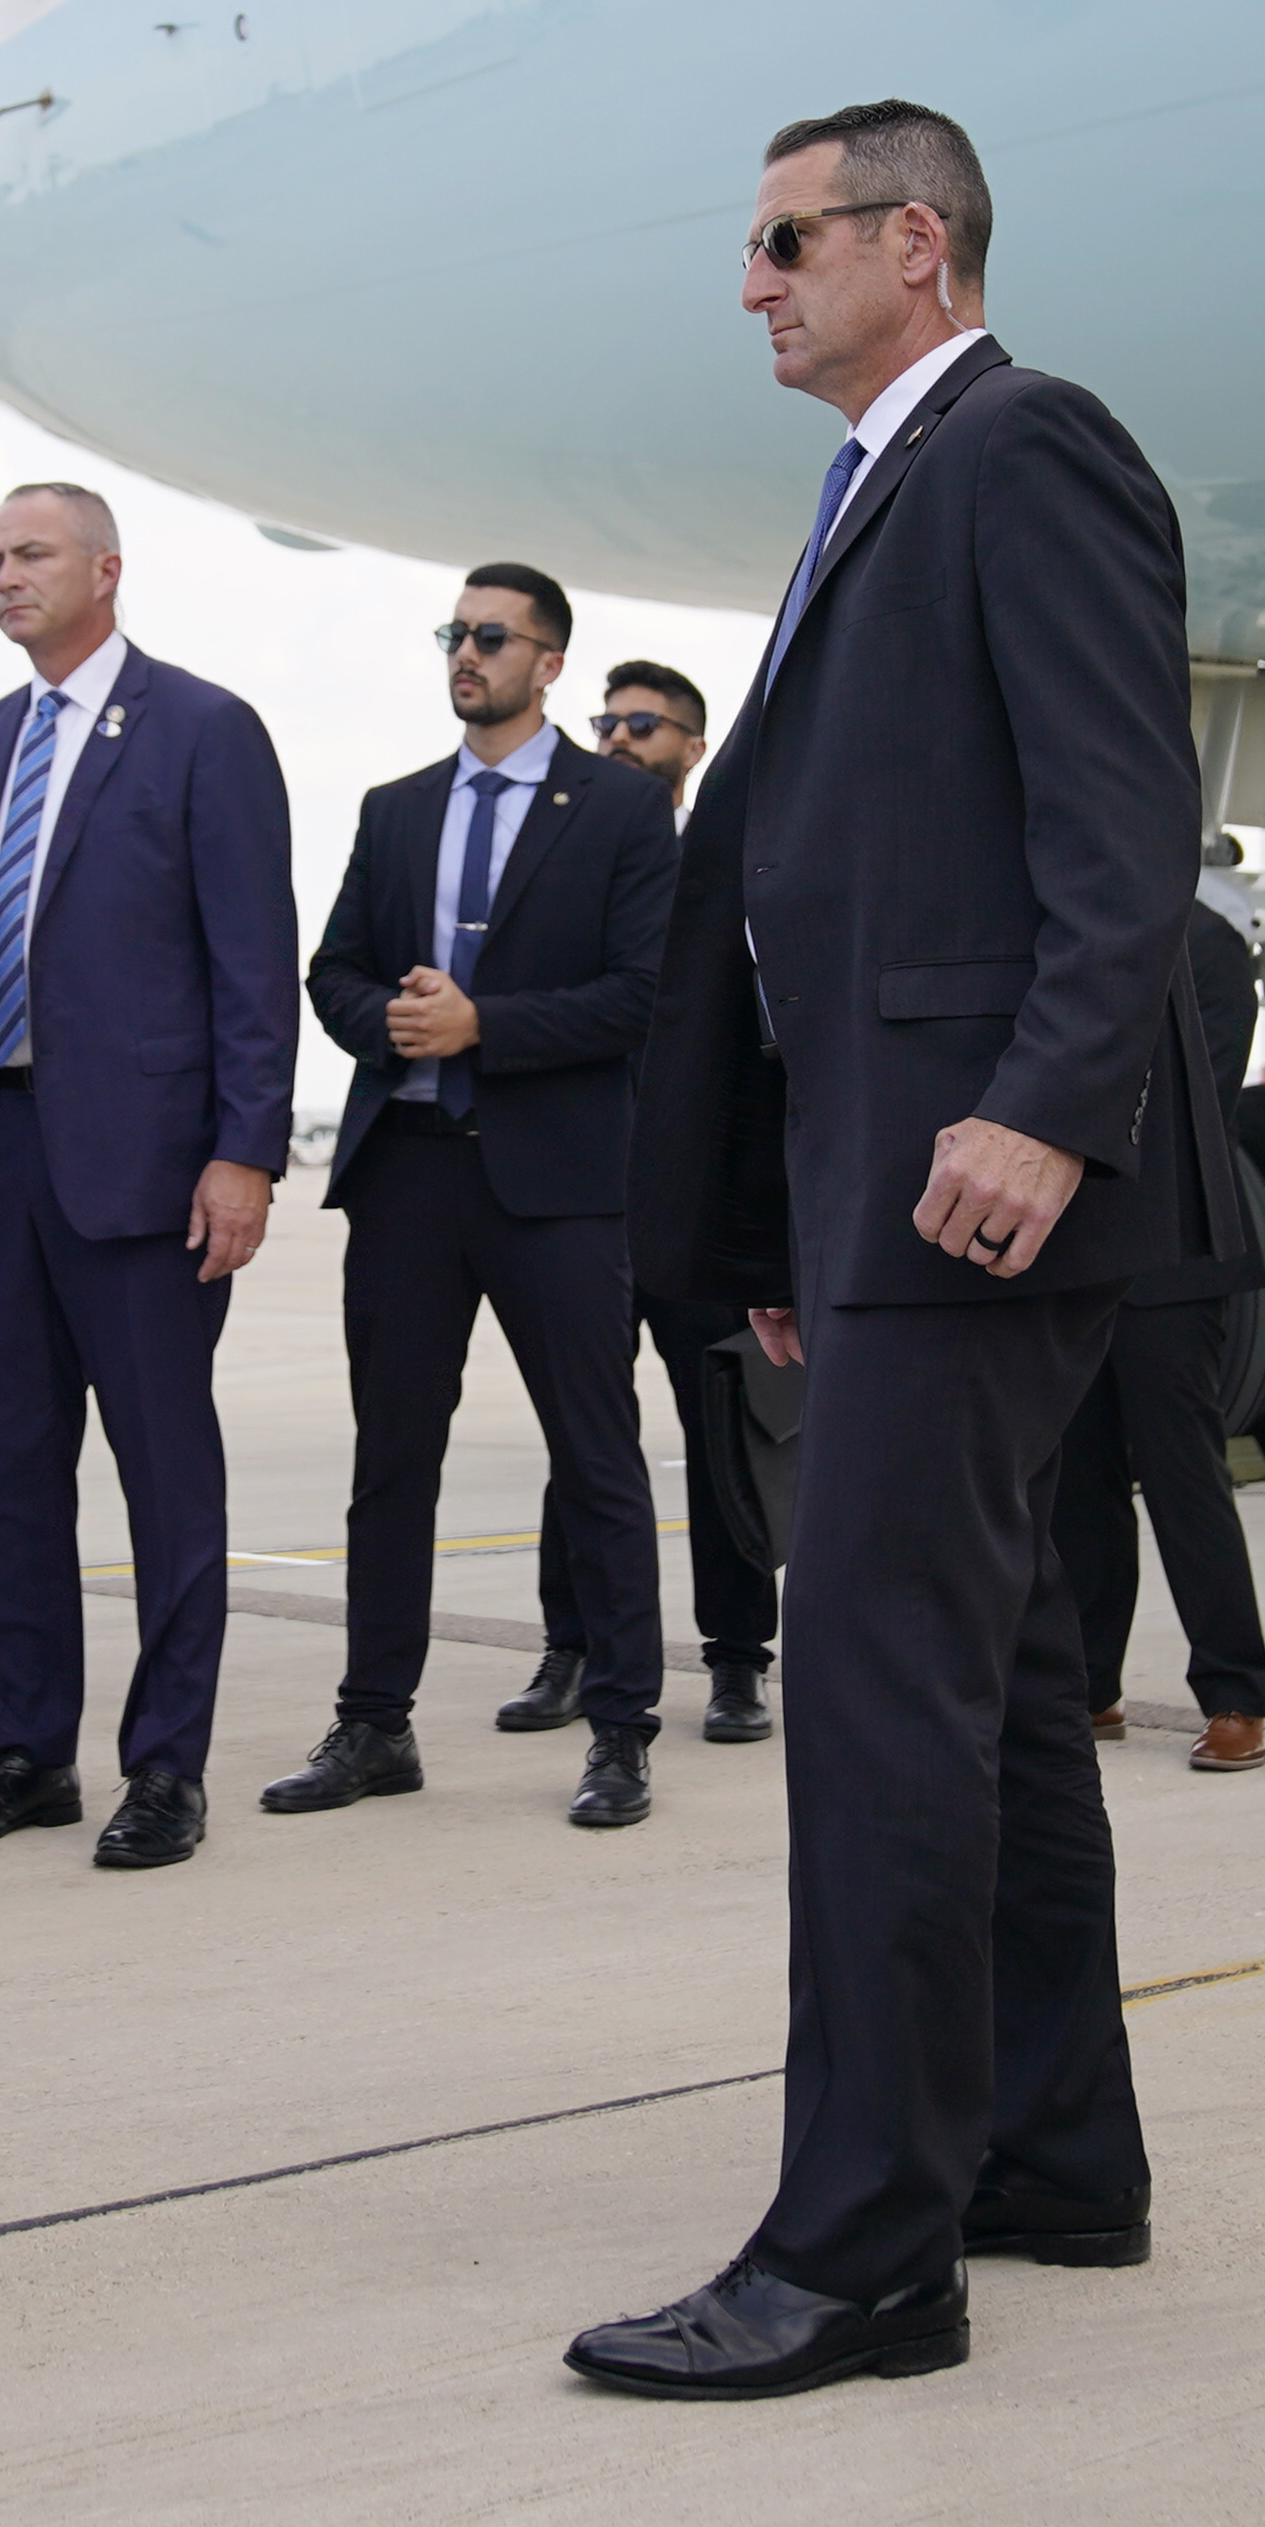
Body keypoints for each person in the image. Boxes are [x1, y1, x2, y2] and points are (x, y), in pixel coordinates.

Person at [580, 101, 1231, 2401]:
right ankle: (1050, 2149)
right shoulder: (873, 488)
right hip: (885, 1190)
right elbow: (814, 899)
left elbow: (1123, 812)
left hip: (977, 1182)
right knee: (993, 1679)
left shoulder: (1021, 446)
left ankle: (860, 2250)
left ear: (914, 241)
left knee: (873, 1697)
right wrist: (779, 1206)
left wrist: (1045, 1108)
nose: (749, 280)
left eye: (780, 237)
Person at [0, 484, 295, 1873]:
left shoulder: (203, 732)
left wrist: (245, 1153)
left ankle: (165, 1767)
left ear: (108, 569)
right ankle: (28, 1754)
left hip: (144, 1168)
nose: (6, 577)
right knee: (12, 1475)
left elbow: (252, 962)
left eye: (31, 553)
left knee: (165, 1475)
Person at [271, 565, 676, 1829]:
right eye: (456, 632)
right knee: (391, 1460)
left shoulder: (618, 807)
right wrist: (393, 1029)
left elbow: (641, 993)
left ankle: (619, 1730)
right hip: (407, 1174)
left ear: (550, 661)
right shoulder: (395, 809)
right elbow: (329, 966)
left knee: (596, 1457)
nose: (467, 653)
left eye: (492, 637)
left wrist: (482, 1024)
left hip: (554, 1183)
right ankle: (373, 1724)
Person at [560, 656, 781, 1746]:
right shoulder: (575, 864)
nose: (618, 738)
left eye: (644, 724)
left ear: (692, 747)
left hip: (699, 1199)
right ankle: (573, 1650)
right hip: (585, 1199)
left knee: (723, 1437)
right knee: (584, 1436)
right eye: (607, 721)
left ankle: (739, 1660)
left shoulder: (731, 866)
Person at [1054, 892, 1265, 1770]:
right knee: (1078, 1477)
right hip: (1068, 1248)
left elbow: (1196, 1102)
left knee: (1183, 1473)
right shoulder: (1067, 920)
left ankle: (1235, 1694)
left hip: (1169, 1251)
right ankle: (1086, 1681)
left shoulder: (1210, 946)